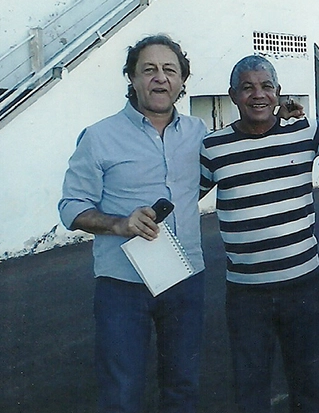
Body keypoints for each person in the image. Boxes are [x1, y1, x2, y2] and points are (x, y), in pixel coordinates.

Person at [59, 35, 207, 413]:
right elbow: (72, 206)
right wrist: (120, 224)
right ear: (132, 78)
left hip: (185, 279)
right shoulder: (99, 137)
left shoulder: (198, 133)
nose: (160, 78)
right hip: (122, 286)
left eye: (169, 70)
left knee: (183, 387)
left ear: (181, 80)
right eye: (149, 70)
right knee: (122, 393)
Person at [200, 55, 319, 413]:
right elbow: (182, 196)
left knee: (307, 382)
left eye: (266, 86)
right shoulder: (214, 148)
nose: (258, 95)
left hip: (301, 284)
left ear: (279, 93)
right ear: (232, 95)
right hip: (246, 294)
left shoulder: (307, 132)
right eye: (248, 87)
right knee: (251, 385)